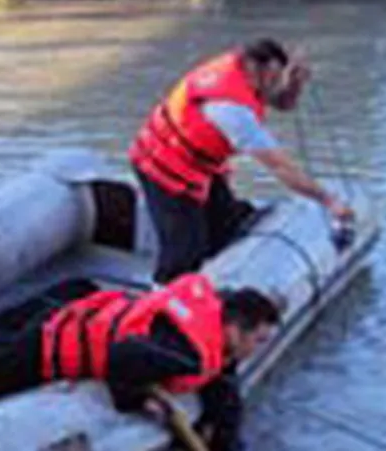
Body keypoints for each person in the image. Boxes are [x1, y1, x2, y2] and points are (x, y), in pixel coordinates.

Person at [0, 273, 280, 451]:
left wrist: (228, 443)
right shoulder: (186, 355)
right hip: (49, 344)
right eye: (258, 339)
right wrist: (139, 399)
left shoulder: (215, 316)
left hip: (81, 313)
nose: (258, 348)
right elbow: (121, 358)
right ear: (234, 329)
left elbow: (224, 389)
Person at [129, 39, 355, 283]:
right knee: (184, 252)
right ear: (256, 69)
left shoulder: (243, 72)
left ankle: (215, 283)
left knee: (227, 225)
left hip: (200, 162)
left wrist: (293, 84)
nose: (276, 84)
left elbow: (282, 102)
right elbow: (280, 167)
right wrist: (328, 200)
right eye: (274, 78)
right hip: (162, 163)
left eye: (280, 77)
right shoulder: (230, 110)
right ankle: (162, 301)